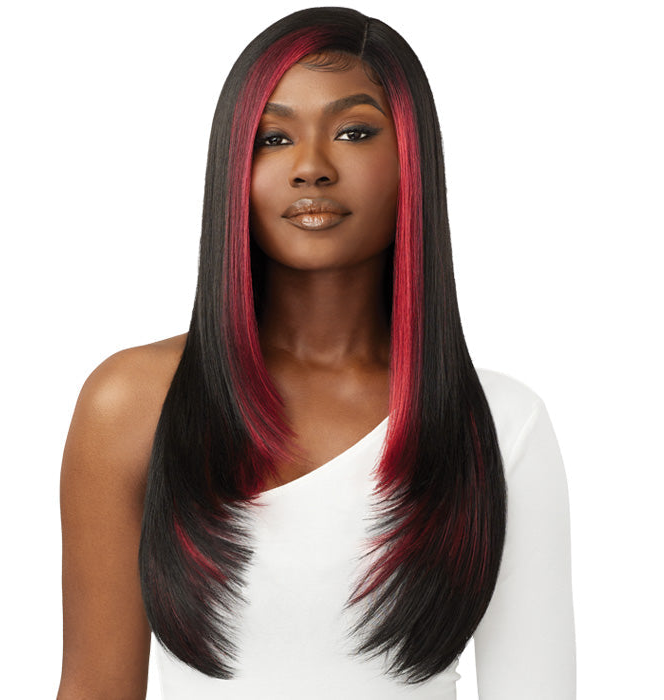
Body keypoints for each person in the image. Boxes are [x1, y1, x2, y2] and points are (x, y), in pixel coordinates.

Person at [57, 7, 576, 699]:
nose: (310, 168)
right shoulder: (131, 404)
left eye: (354, 131)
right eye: (273, 138)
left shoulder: (502, 424)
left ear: (411, 159)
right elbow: (94, 686)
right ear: (234, 167)